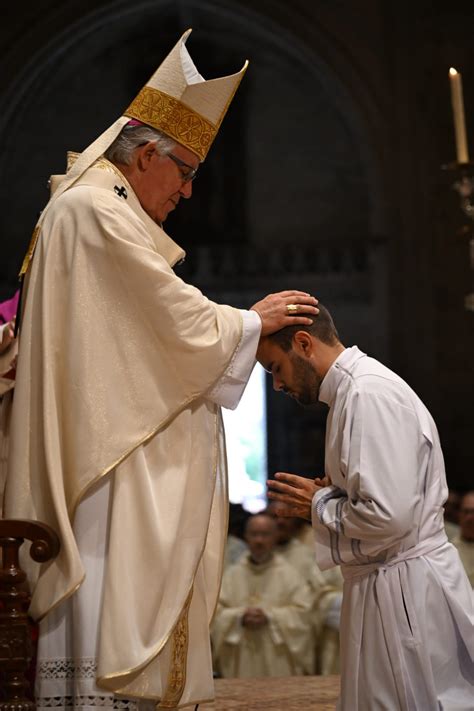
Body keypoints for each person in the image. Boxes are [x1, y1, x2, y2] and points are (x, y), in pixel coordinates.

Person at [3, 30, 319, 710]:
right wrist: (251, 320)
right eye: (185, 173)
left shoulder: (91, 207)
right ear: (147, 154)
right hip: (108, 475)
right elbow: (168, 320)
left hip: (111, 460)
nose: (188, 192)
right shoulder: (93, 212)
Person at [260, 303, 474, 710]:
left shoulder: (367, 393)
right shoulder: (352, 392)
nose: (277, 385)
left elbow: (388, 515)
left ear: (303, 343)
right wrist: (336, 496)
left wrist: (318, 504)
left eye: (274, 368)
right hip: (389, 583)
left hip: (403, 589)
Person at [211, 513, 314, 678]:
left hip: (277, 659)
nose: (259, 540)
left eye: (265, 534)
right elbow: (215, 613)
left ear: (275, 537)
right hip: (241, 659)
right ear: (246, 538)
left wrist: (269, 617)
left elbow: (304, 614)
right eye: (254, 534)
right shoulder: (231, 575)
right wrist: (239, 617)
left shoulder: (290, 575)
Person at [266, 499, 343, 675]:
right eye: (274, 517)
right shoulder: (257, 557)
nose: (280, 522)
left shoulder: (311, 550)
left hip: (311, 634)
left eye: (285, 517)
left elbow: (317, 595)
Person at [452, 491, 474, 587]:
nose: (469, 517)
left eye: (473, 512)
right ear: (459, 514)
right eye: (466, 512)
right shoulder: (449, 551)